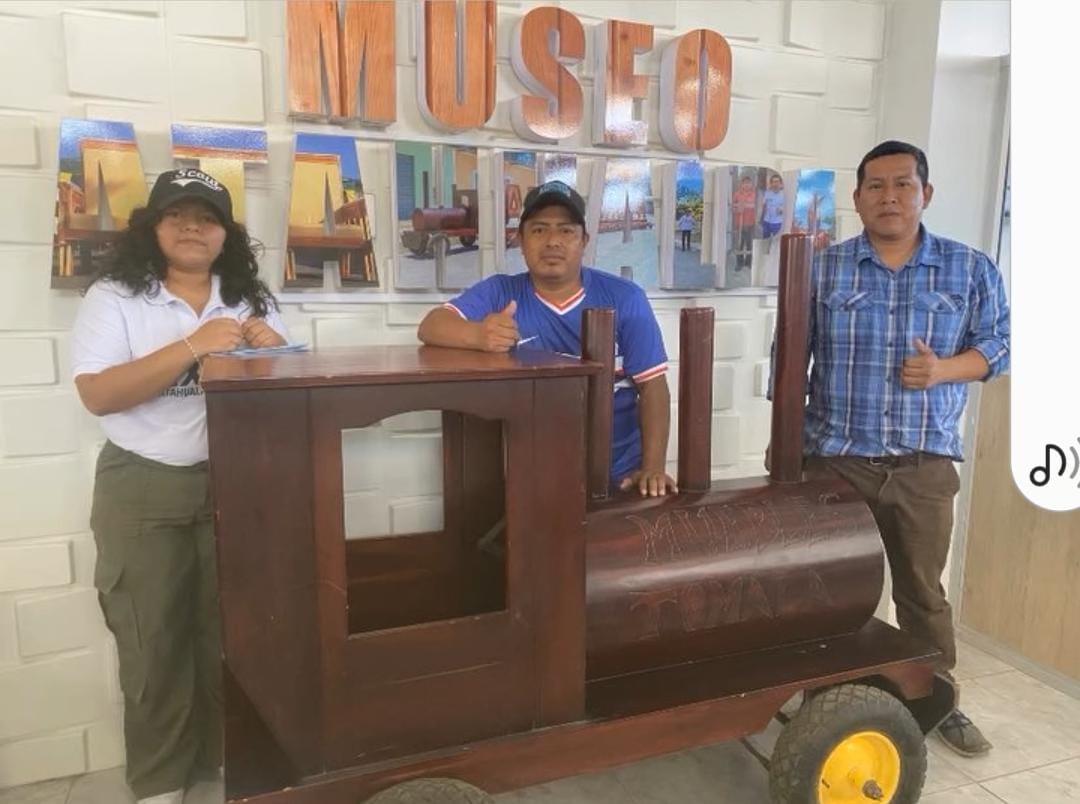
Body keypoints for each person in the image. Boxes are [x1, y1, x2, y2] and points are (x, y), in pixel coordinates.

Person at [771, 140, 1009, 758]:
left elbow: (1000, 346)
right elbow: (789, 360)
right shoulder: (823, 268)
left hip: (922, 466)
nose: (890, 197)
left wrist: (945, 369)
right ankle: (823, 698)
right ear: (856, 199)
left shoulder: (969, 267)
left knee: (922, 592)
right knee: (827, 590)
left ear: (925, 193)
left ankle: (938, 698)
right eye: (875, 186)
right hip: (836, 463)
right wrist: (783, 452)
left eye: (903, 184)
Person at [72, 169, 289, 803]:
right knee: (152, 642)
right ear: (153, 227)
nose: (192, 227)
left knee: (231, 635)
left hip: (234, 482)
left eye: (207, 218)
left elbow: (281, 397)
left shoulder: (246, 297)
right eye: (177, 216)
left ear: (226, 234)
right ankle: (161, 783)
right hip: (142, 483)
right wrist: (194, 344)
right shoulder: (116, 296)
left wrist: (276, 350)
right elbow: (99, 394)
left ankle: (225, 763)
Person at [418, 180, 676, 497]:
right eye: (539, 230)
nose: (553, 241)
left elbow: (652, 387)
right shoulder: (500, 291)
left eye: (566, 231)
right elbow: (430, 326)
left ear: (584, 241)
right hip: (527, 469)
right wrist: (478, 334)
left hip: (617, 471)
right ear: (521, 240)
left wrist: (653, 467)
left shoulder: (625, 297)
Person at [731, 174, 757, 268]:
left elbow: (756, 207)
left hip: (750, 223)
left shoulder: (754, 194)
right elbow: (732, 207)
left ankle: (749, 262)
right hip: (739, 223)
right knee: (739, 243)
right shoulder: (737, 194)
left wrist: (746, 206)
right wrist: (737, 208)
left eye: (748, 183)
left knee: (749, 243)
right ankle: (739, 263)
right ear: (741, 184)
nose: (746, 185)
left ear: (751, 184)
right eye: (745, 183)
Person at [761, 172, 785, 239]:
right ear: (771, 184)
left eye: (777, 181)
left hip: (777, 223)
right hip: (766, 221)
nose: (775, 184)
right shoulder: (767, 193)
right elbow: (763, 206)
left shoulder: (784, 195)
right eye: (773, 182)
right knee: (765, 240)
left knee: (776, 241)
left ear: (780, 183)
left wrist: (782, 210)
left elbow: (785, 209)